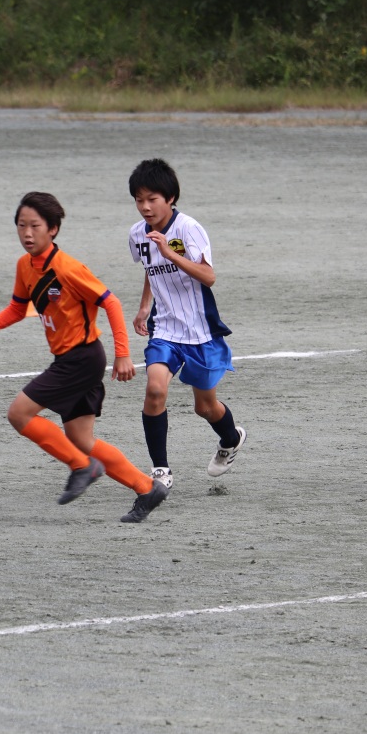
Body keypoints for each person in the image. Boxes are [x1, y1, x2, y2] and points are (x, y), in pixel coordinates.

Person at [0, 191, 168, 523]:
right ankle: (146, 487)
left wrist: (123, 354)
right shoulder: (25, 266)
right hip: (69, 360)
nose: (27, 233)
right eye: (21, 225)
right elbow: (17, 308)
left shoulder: (67, 268)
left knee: (19, 414)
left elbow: (110, 302)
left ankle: (81, 467)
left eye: (35, 226)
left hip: (82, 359)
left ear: (53, 229)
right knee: (81, 439)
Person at [127, 158, 245, 491]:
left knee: (205, 407)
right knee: (155, 390)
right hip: (164, 329)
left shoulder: (188, 229)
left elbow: (208, 276)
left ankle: (231, 439)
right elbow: (150, 269)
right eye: (139, 200)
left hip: (200, 332)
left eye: (152, 199)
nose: (145, 207)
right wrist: (144, 307)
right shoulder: (137, 234)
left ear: (171, 198)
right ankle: (160, 471)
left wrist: (171, 254)